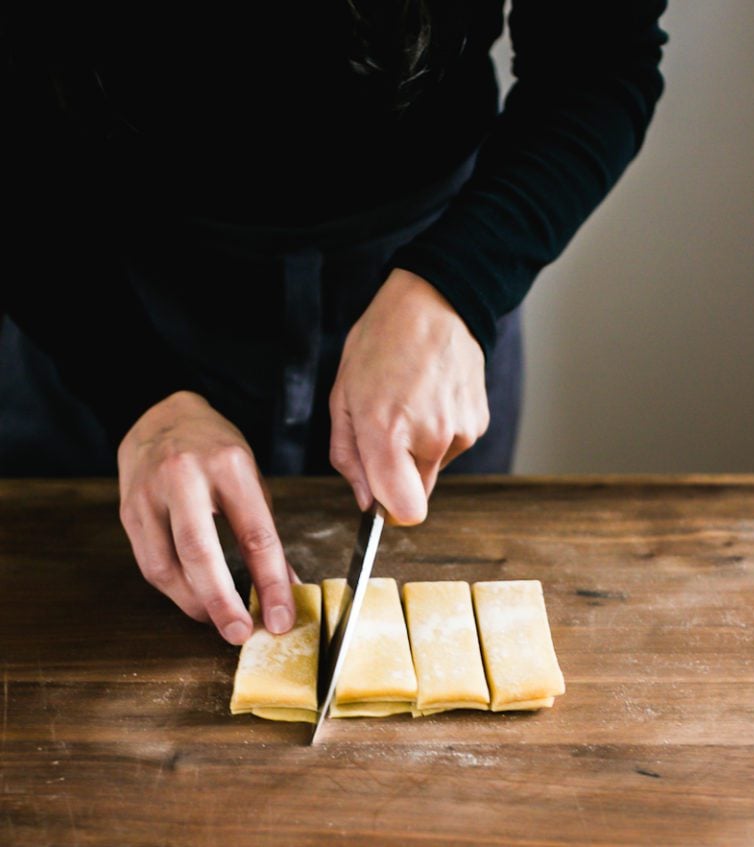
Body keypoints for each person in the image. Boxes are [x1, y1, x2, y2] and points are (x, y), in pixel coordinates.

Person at [2, 3, 668, 644]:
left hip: (440, 269)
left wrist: (459, 286)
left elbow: (602, 58)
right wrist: (129, 386)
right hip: (88, 281)